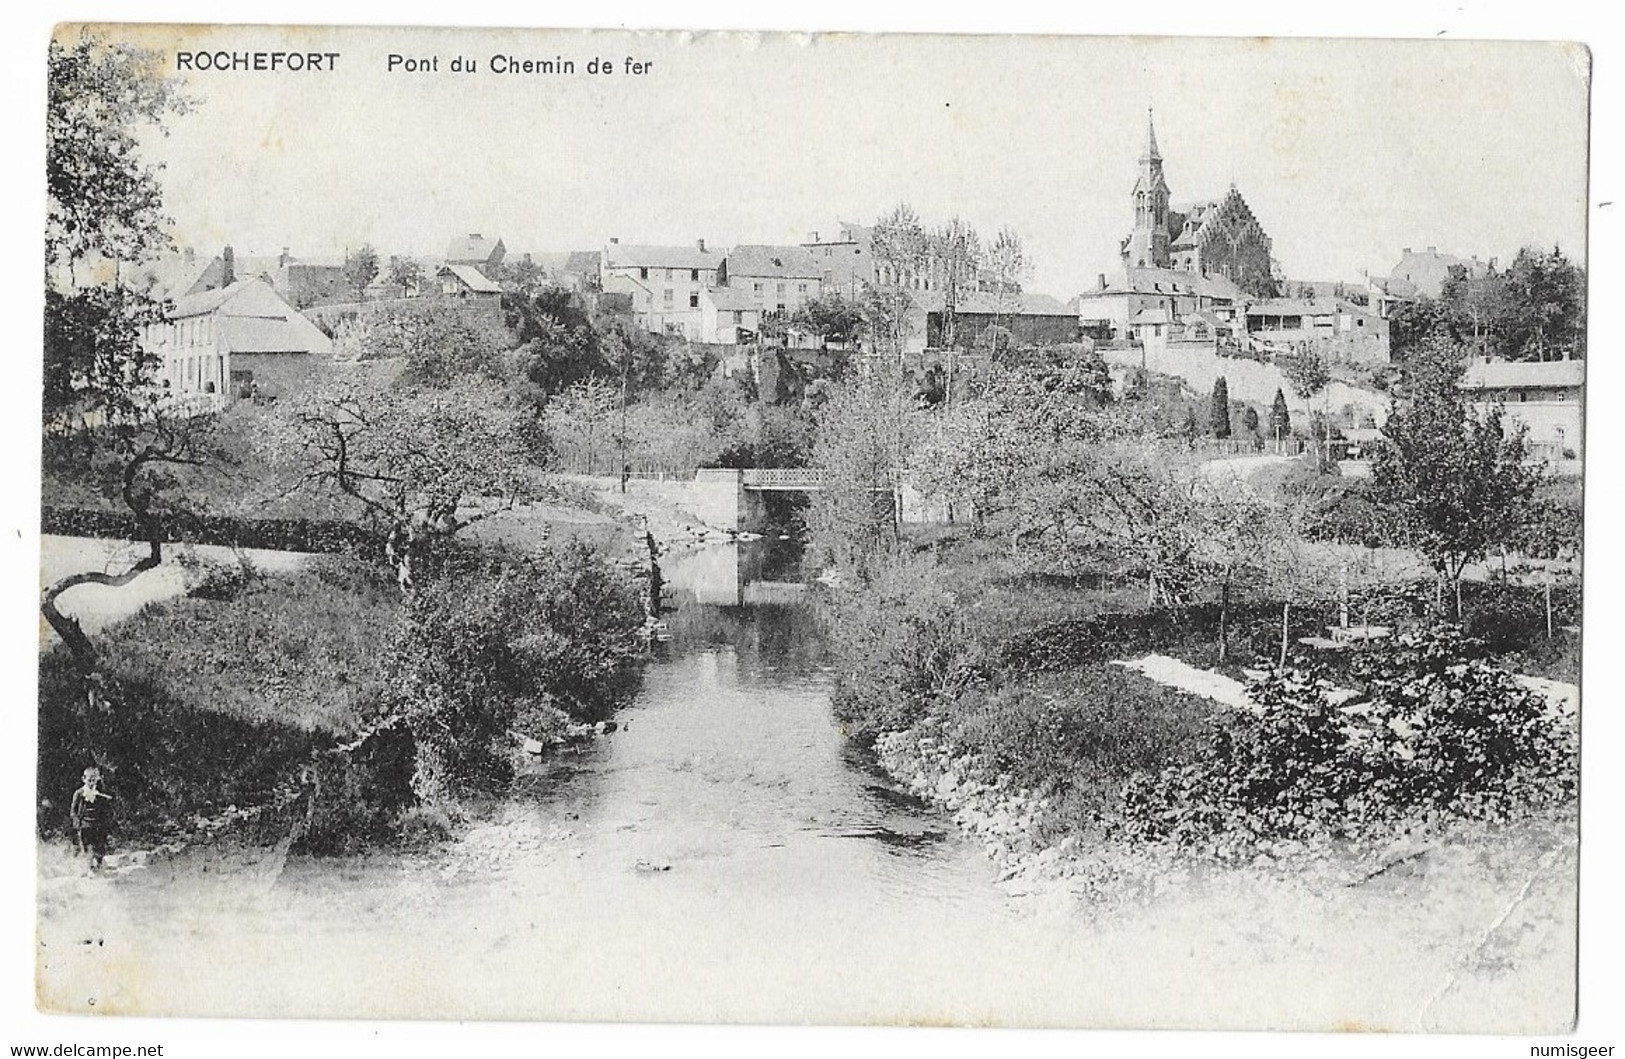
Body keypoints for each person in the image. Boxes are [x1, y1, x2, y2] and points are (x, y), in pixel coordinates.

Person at [70, 767, 114, 868]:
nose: (91, 783)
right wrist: (76, 822)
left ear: (97, 780)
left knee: (99, 846)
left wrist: (106, 822)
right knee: (87, 847)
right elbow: (73, 810)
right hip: (85, 825)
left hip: (98, 824)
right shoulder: (79, 793)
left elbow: (104, 810)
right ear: (83, 779)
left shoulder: (99, 793)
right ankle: (89, 868)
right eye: (89, 780)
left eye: (93, 780)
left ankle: (99, 865)